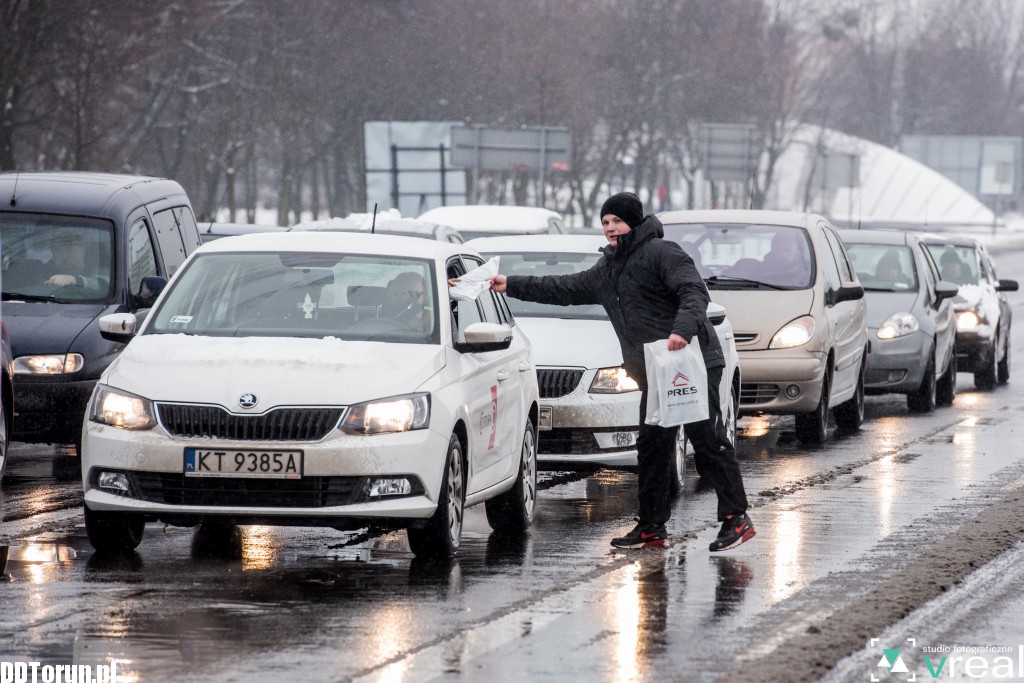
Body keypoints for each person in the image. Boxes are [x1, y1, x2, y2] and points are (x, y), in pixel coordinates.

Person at [484, 192, 754, 552]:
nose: (610, 228)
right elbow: (563, 288)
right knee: (652, 447)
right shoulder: (608, 269)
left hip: (691, 363)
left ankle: (736, 518)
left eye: (617, 221)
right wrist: (511, 284)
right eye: (605, 222)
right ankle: (651, 528)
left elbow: (693, 292)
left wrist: (681, 330)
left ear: (634, 222)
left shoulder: (662, 253)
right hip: (656, 369)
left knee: (706, 440)